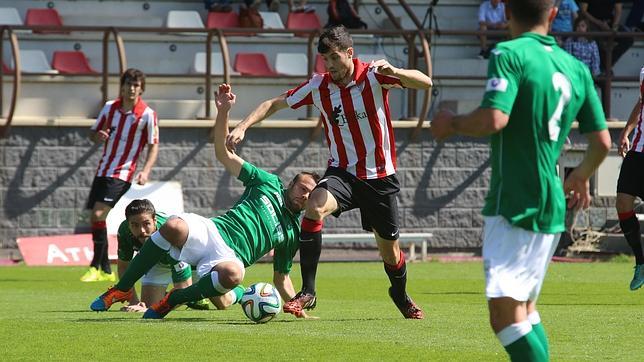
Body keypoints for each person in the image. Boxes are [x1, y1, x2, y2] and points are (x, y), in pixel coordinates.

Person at [430, 0, 611, 360]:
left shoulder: (509, 53)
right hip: (549, 201)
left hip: (516, 200)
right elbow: (602, 142)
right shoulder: (575, 67)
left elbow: (495, 118)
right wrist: (581, 174)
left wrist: (451, 123)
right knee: (524, 311)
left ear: (507, 12)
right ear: (554, 14)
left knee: (504, 317)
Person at [226, 25, 433, 319]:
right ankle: (308, 291)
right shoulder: (319, 86)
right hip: (343, 173)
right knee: (315, 204)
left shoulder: (375, 75)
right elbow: (273, 103)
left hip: (379, 177)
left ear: (350, 53)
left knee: (390, 252)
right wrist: (243, 126)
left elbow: (426, 82)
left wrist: (397, 71)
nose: (331, 66)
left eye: (335, 58)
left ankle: (399, 295)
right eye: (326, 61)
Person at [90, 84, 320, 319]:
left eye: (311, 194)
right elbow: (223, 154)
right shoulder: (268, 183)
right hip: (213, 231)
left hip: (230, 258)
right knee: (173, 226)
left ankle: (175, 298)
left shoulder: (292, 232)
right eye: (302, 188)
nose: (304, 195)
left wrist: (296, 307)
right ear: (291, 184)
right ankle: (122, 288)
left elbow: (281, 277)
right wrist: (223, 112)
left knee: (232, 278)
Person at [80, 68, 159, 283]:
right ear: (122, 86)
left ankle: (97, 267)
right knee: (96, 217)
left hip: (122, 173)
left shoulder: (147, 114)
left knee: (97, 215)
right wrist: (98, 136)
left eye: (136, 85)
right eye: (128, 84)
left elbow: (153, 145)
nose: (131, 88)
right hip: (103, 170)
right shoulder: (109, 108)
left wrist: (146, 170)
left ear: (141, 88)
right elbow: (92, 134)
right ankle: (104, 268)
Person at [107, 199, 238, 312]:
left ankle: (240, 292)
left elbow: (183, 288)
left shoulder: (171, 235)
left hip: (191, 258)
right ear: (128, 224)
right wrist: (134, 302)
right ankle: (194, 299)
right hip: (158, 261)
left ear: (155, 220)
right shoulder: (124, 231)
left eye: (146, 224)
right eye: (135, 225)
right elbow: (124, 267)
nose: (141, 230)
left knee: (222, 303)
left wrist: (155, 308)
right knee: (146, 306)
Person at [615, 66, 644, 291]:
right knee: (623, 202)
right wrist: (626, 132)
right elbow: (641, 102)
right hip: (638, 149)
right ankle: (640, 262)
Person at [578, 0, 634, 73]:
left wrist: (614, 27)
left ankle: (606, 65)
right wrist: (599, 23)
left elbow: (618, 10)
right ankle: (600, 68)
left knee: (628, 38)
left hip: (609, 22)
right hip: (591, 22)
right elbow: (583, 11)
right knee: (595, 38)